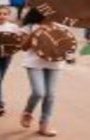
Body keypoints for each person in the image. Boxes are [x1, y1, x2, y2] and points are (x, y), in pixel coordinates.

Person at [20, 8, 70, 137]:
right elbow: (24, 47)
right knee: (38, 92)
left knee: (50, 95)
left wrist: (69, 55)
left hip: (54, 63)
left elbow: (67, 44)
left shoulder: (61, 27)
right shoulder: (29, 27)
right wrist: (35, 32)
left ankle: (44, 126)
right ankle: (27, 112)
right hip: (34, 62)